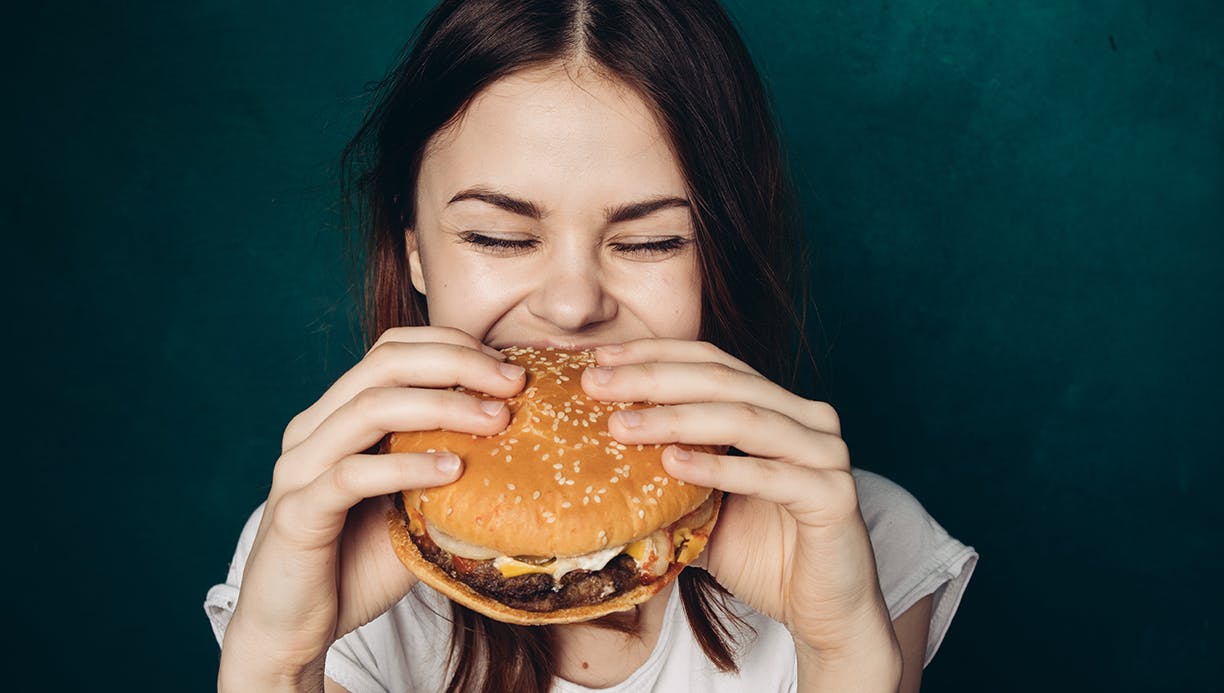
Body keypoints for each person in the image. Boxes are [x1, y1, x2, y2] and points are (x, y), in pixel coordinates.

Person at [204, 1, 978, 691]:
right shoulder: (318, 546)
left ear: (720, 258)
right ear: (412, 251)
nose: (572, 306)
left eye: (650, 241)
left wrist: (842, 652)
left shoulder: (858, 534)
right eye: (498, 236)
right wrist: (276, 663)